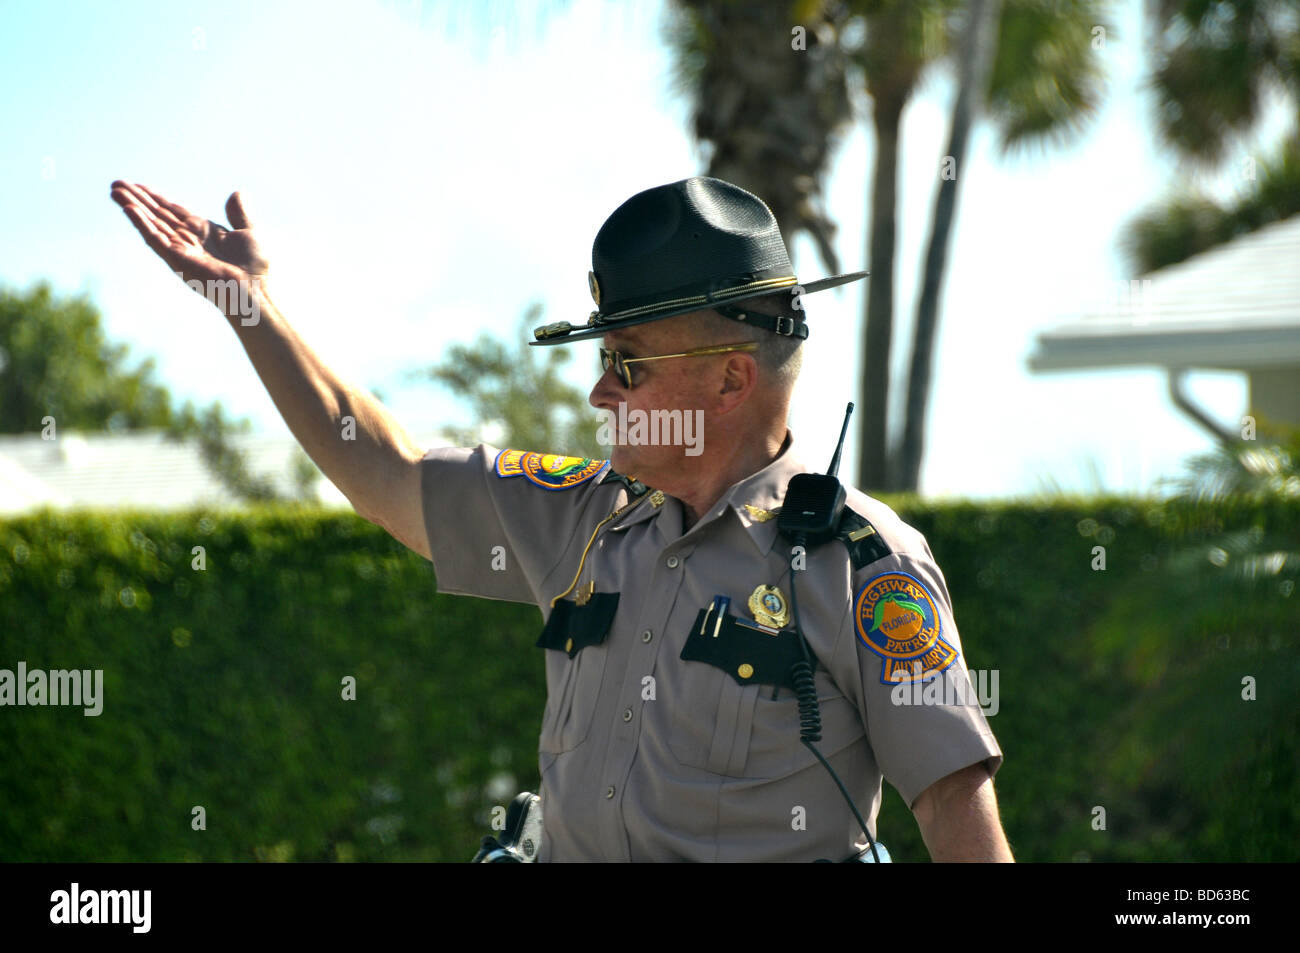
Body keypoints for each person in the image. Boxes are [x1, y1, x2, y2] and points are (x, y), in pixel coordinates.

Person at [110, 175, 1013, 862]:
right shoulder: (583, 515)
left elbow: (954, 810)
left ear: (730, 379)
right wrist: (250, 307)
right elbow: (382, 467)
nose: (596, 390)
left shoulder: (864, 564)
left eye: (626, 364)